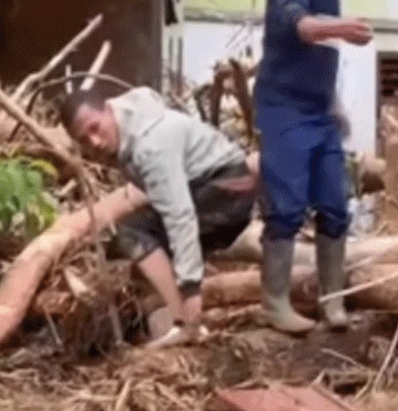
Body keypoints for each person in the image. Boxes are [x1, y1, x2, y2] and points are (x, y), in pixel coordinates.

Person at [252, 0, 380, 334]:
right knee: (286, 207)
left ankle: (333, 300)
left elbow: (322, 48)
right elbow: (298, 25)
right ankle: (275, 303)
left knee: (335, 202)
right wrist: (344, 27)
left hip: (320, 111)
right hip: (283, 108)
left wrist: (336, 105)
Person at [60, 85, 257, 348]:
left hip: (228, 192)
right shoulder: (128, 121)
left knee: (133, 234)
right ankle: (170, 318)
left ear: (108, 109)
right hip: (218, 187)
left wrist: (190, 288)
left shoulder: (150, 146)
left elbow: (179, 214)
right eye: (84, 140)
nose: (94, 142)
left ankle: (185, 323)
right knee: (132, 244)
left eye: (95, 128)